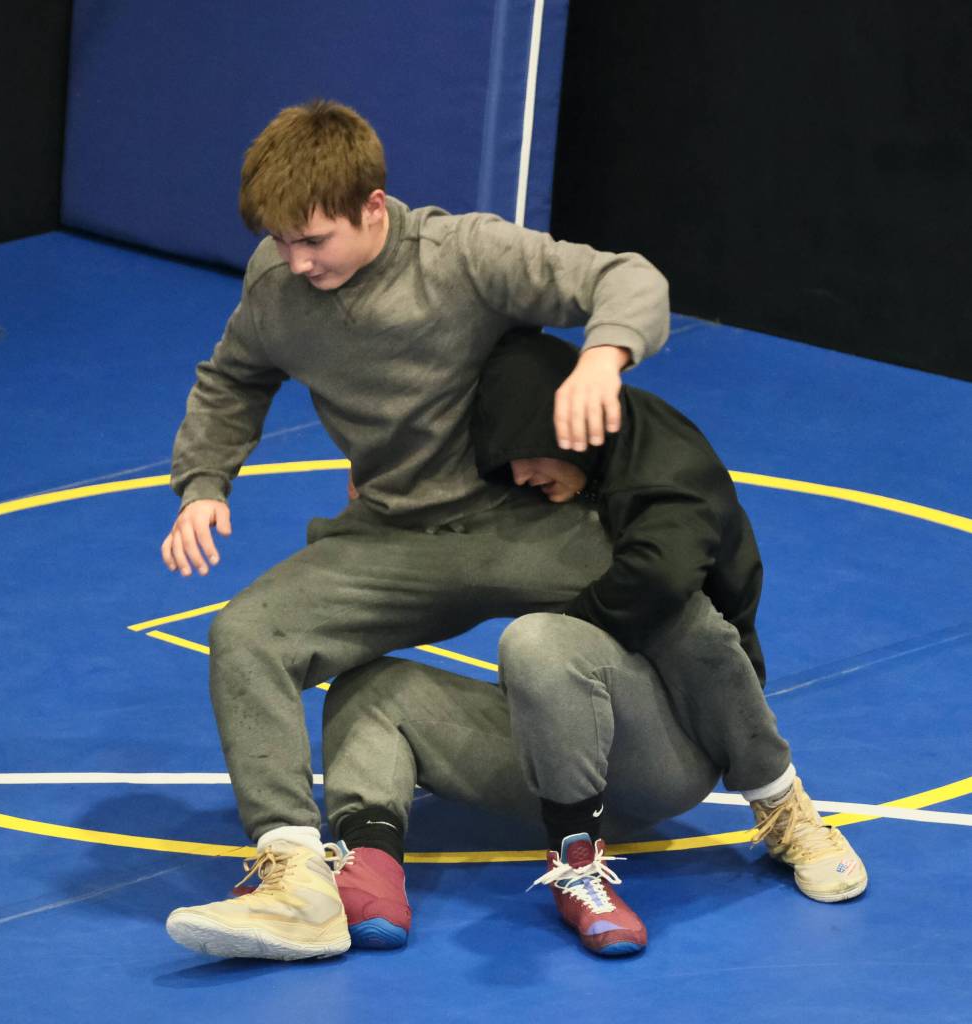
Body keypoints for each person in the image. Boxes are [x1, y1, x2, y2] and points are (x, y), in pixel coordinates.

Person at [160, 97, 685, 961]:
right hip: (389, 533)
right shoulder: (277, 281)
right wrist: (203, 485)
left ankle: (781, 801)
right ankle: (294, 879)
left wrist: (603, 355)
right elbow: (232, 380)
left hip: (522, 519)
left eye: (314, 240)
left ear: (373, 207)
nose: (295, 262)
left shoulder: (463, 254)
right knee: (246, 635)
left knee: (673, 598)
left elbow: (626, 278)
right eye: (281, 241)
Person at [321, 331, 867, 957]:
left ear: (561, 429)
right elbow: (459, 484)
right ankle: (372, 865)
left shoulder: (665, 466)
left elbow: (658, 579)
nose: (519, 474)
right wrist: (391, 486)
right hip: (557, 747)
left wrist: (559, 642)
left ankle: (778, 808)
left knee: (600, 627)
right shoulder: (555, 466)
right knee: (372, 689)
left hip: (667, 750)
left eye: (524, 453)